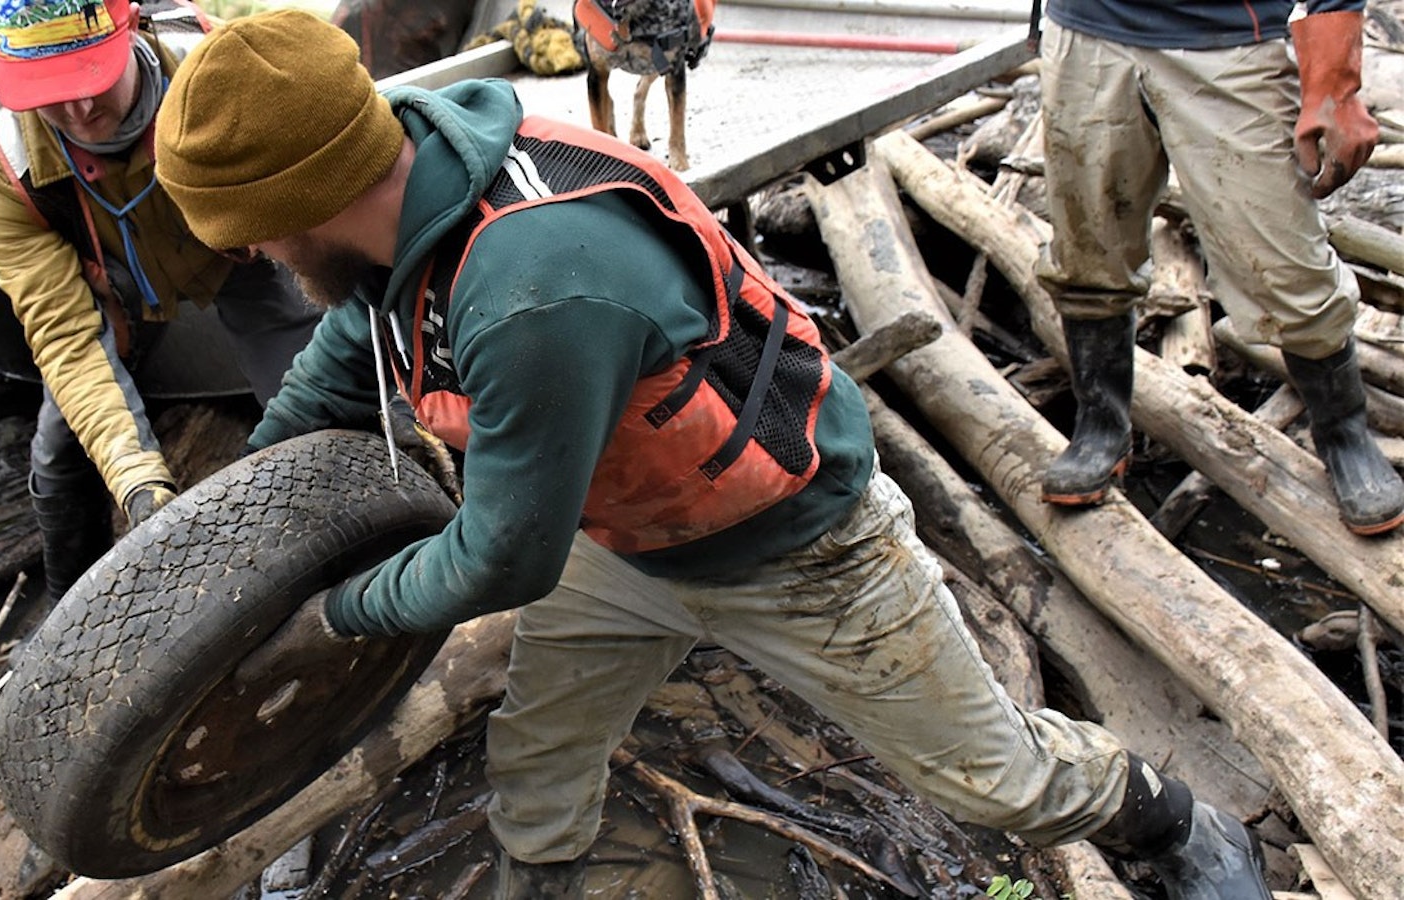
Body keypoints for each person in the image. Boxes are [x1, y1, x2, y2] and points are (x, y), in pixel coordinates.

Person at [151, 10, 1274, 899]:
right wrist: (248, 516)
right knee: (538, 763)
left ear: (312, 190)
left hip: (800, 556)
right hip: (618, 540)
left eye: (246, 223)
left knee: (991, 782)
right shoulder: (403, 188)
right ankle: (537, 879)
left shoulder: (534, 284)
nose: (248, 250)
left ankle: (1169, 816)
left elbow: (499, 561)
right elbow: (352, 344)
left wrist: (340, 613)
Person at [0, 0, 320, 602]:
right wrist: (137, 483)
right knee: (58, 453)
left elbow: (311, 197)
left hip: (234, 245)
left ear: (132, 31)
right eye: (52, 89)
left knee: (315, 396)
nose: (78, 109)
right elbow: (67, 339)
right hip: (108, 280)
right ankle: (71, 618)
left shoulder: (215, 64)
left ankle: (359, 549)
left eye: (93, 78)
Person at [1035, 0, 1404, 535]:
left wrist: (1336, 83)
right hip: (1087, 35)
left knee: (1285, 270)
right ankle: (1100, 424)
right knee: (1088, 250)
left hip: (1228, 40)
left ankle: (1344, 434)